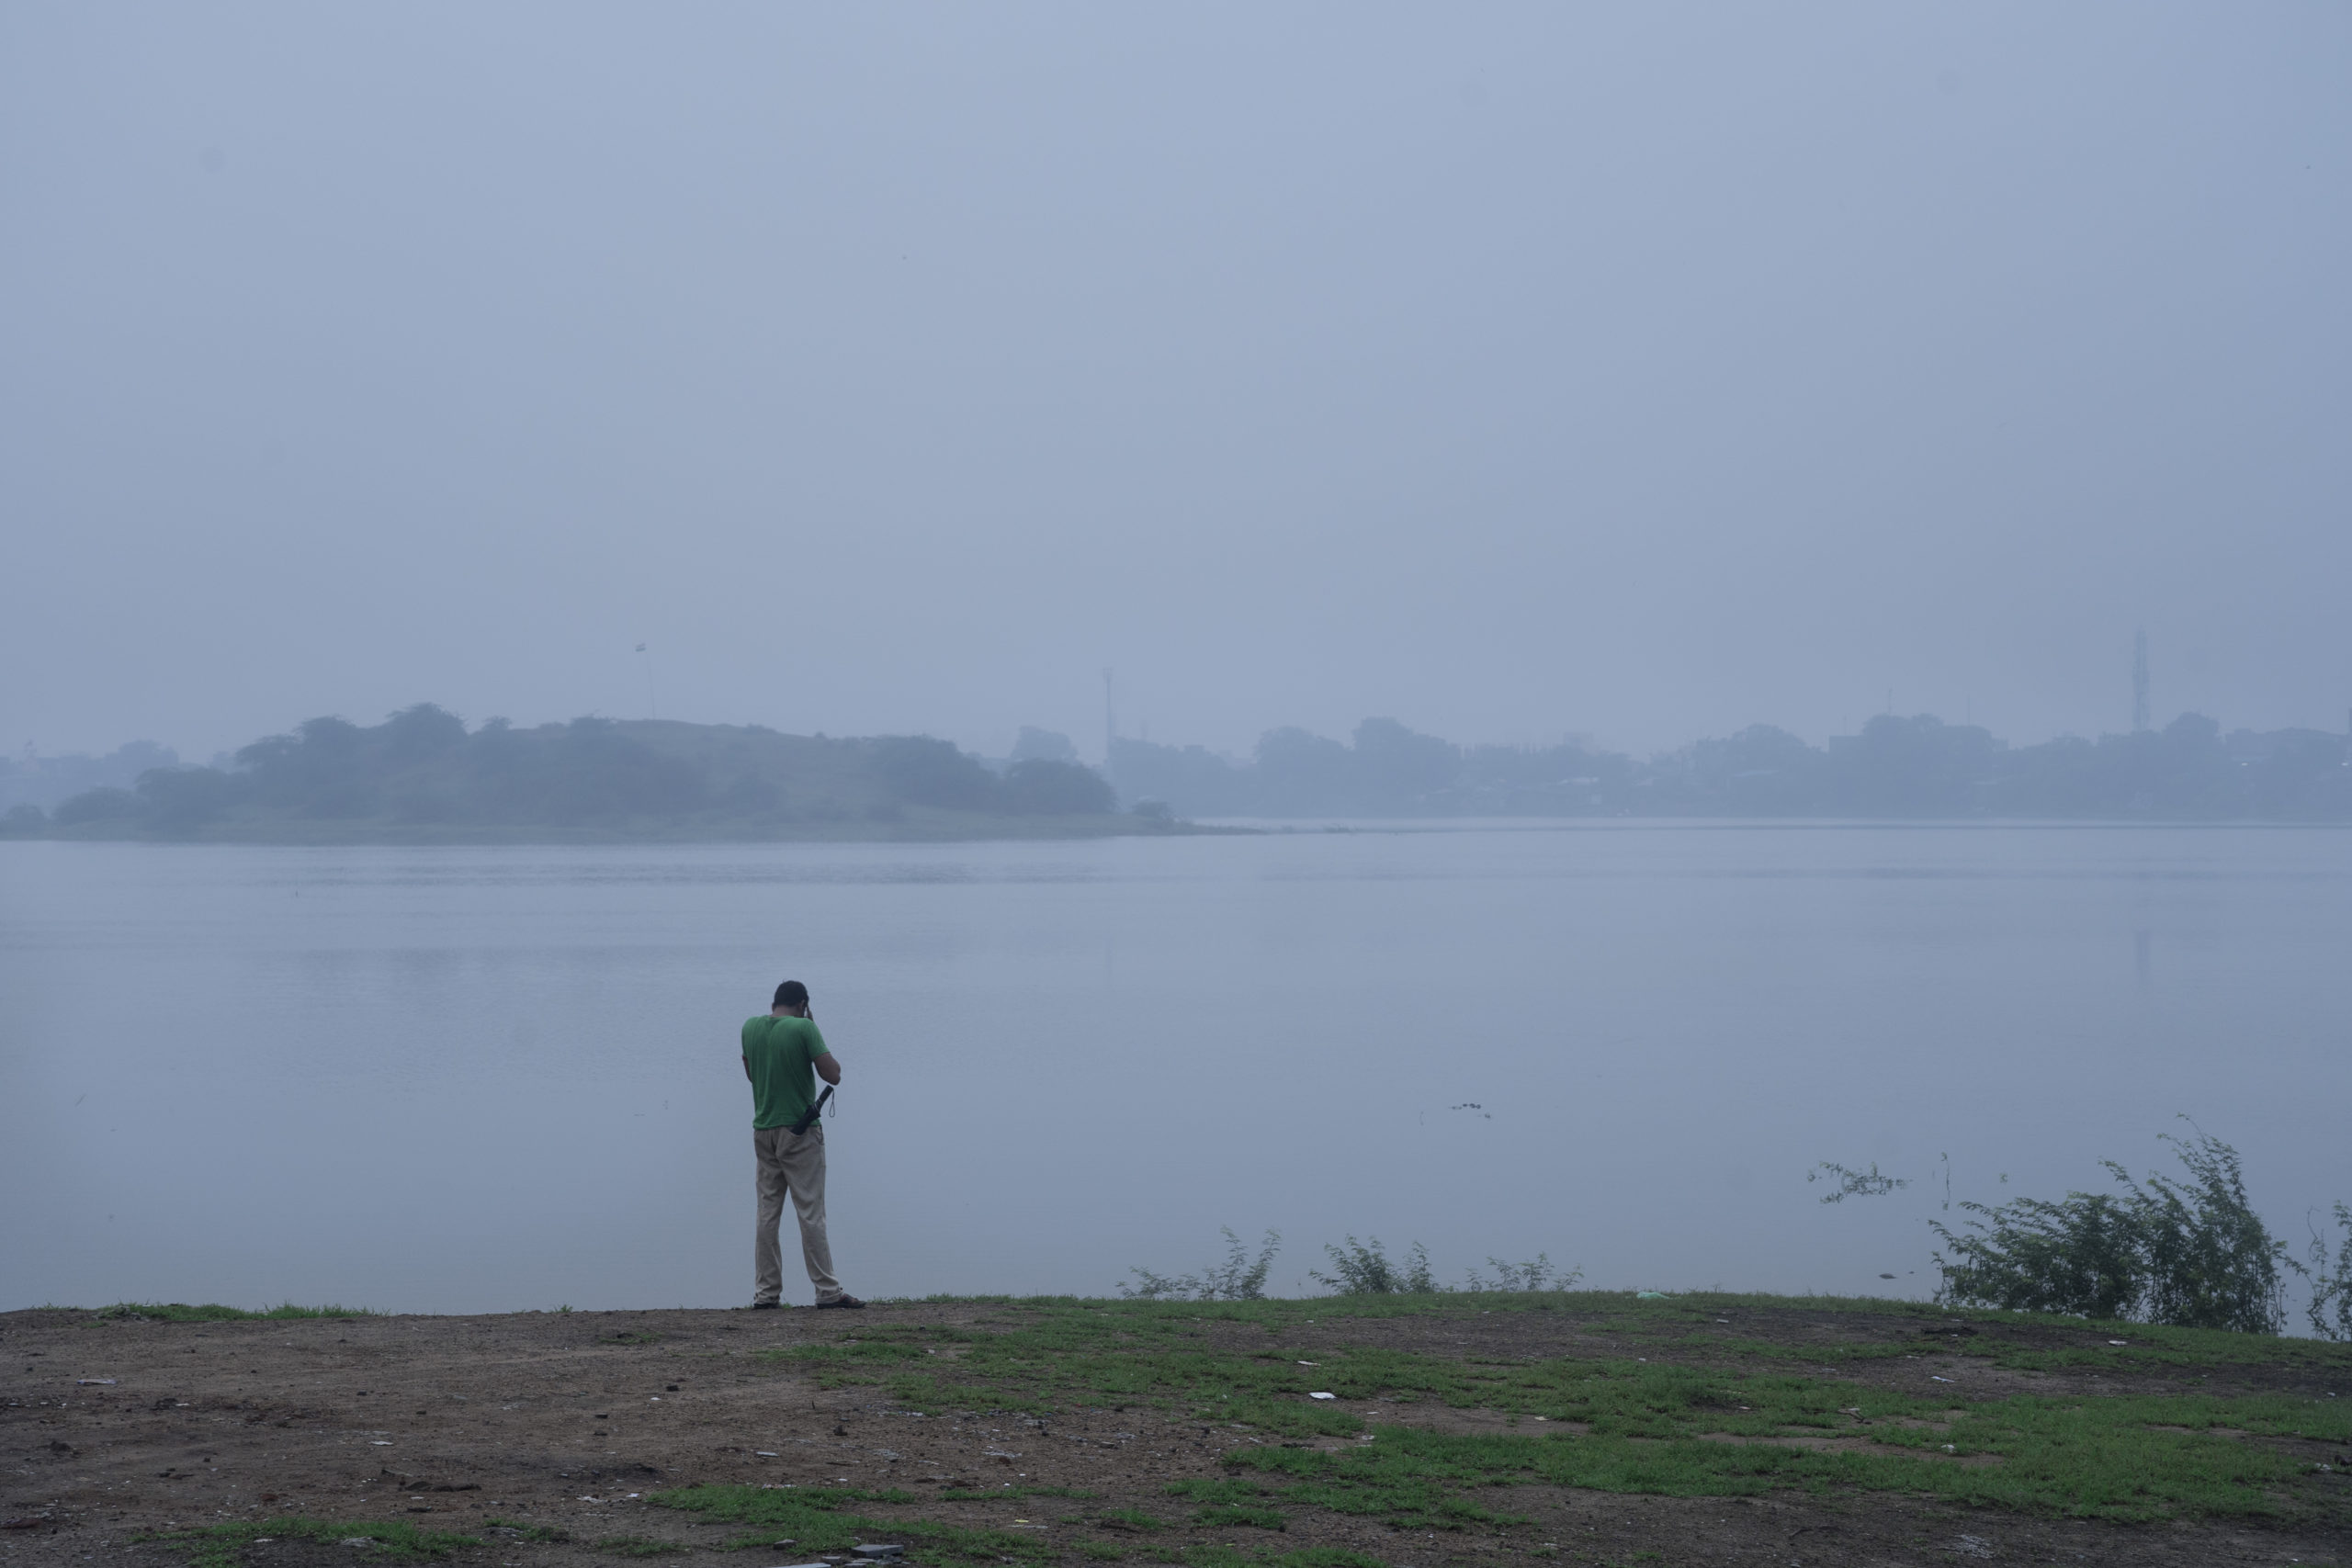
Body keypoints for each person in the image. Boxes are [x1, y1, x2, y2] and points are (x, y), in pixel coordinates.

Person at [741, 980, 863, 1310]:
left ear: (774, 1003)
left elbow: (752, 1074)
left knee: (767, 1213)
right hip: (800, 1132)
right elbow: (833, 1074)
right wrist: (811, 1026)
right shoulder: (804, 1028)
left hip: (763, 1131)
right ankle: (827, 1291)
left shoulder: (750, 1027)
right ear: (802, 1004)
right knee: (810, 1213)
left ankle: (766, 1294)